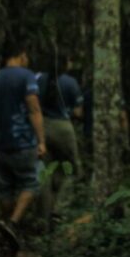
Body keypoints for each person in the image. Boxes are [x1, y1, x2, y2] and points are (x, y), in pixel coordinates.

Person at [0, 42, 46, 249]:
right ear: (20, 55)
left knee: (6, 187)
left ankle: (7, 226)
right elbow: (34, 108)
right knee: (31, 183)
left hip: (0, 142)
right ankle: (13, 222)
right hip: (23, 141)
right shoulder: (26, 76)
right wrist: (41, 140)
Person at [36, 60, 83, 224]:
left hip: (42, 126)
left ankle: (44, 215)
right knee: (73, 170)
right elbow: (78, 111)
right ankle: (60, 211)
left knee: (46, 172)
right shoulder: (70, 82)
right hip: (62, 127)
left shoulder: (39, 79)